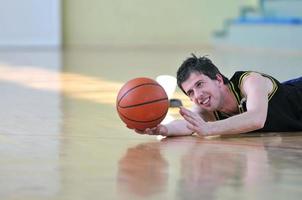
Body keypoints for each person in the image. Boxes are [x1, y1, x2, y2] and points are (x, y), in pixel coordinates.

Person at [135, 54, 302, 137]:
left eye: (199, 84)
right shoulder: (208, 108)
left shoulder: (250, 81)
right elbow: (190, 124)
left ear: (218, 79)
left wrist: (210, 128)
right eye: (190, 92)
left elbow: (256, 118)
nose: (198, 95)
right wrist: (162, 129)